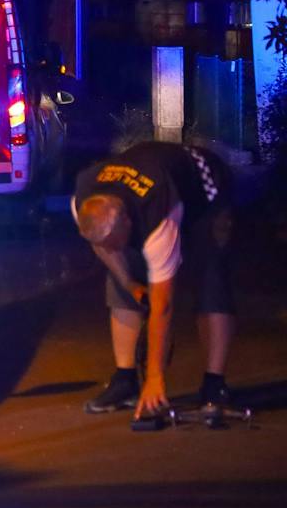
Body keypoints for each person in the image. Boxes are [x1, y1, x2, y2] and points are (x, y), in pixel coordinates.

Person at [72, 140, 236, 417]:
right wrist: (129, 283)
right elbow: (103, 246)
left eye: (115, 240)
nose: (111, 247)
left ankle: (214, 384)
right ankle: (125, 380)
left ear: (126, 221)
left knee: (211, 277)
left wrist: (155, 379)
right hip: (147, 183)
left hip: (205, 190)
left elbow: (163, 305)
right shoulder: (84, 199)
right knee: (121, 278)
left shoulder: (158, 211)